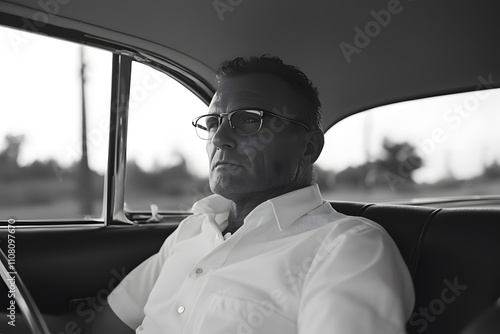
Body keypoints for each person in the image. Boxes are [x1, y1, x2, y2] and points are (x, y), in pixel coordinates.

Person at [94, 55, 414, 333]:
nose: (219, 138)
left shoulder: (346, 245)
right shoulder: (192, 230)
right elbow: (108, 326)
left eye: (248, 120)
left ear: (308, 147)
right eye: (213, 122)